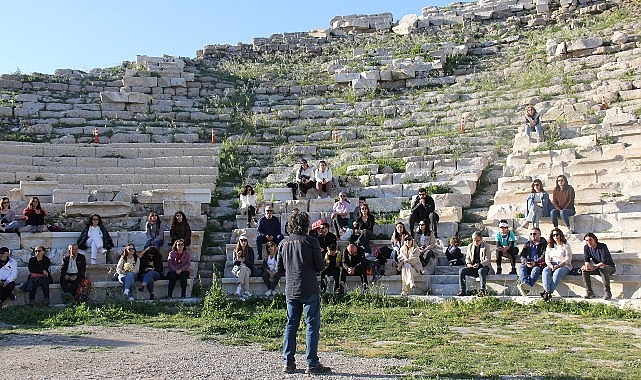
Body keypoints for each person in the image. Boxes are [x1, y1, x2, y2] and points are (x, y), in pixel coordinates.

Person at [276, 211, 331, 375]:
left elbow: (279, 269)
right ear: (306, 225)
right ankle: (312, 363)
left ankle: (288, 362)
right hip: (308, 287)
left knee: (291, 325)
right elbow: (320, 266)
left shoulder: (283, 243)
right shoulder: (311, 241)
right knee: (311, 325)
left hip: (291, 289)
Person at [541, 228, 573, 301]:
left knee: (557, 273)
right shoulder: (550, 246)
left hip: (564, 265)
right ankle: (547, 291)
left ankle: (548, 292)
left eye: (557, 234)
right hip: (552, 264)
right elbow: (547, 259)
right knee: (545, 271)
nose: (555, 236)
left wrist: (558, 266)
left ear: (560, 235)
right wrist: (551, 265)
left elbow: (568, 259)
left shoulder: (566, 245)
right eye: (553, 235)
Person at [581, 233, 615, 300]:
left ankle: (607, 292)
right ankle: (589, 291)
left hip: (609, 267)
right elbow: (586, 258)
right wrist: (586, 265)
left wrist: (593, 267)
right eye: (586, 240)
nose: (588, 242)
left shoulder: (602, 246)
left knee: (603, 268)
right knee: (584, 271)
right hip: (598, 268)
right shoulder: (586, 247)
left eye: (590, 240)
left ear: (595, 239)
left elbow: (604, 261)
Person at [457, 232, 491, 297]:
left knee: (480, 271)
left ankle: (482, 290)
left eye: (477, 240)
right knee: (462, 271)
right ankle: (462, 290)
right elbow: (467, 258)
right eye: (474, 240)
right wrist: (468, 263)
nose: (475, 242)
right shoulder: (470, 246)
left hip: (484, 266)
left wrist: (480, 264)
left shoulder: (486, 246)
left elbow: (488, 260)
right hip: (473, 267)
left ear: (481, 239)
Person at [516, 227, 547, 297]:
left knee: (536, 269)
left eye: (535, 233)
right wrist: (526, 262)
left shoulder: (544, 244)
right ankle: (525, 284)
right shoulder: (528, 244)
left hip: (539, 265)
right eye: (531, 234)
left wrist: (535, 263)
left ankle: (526, 287)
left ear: (540, 234)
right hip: (529, 264)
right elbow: (522, 255)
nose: (533, 235)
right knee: (522, 267)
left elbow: (544, 256)